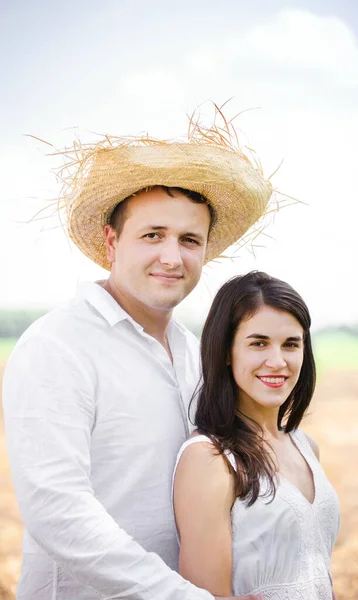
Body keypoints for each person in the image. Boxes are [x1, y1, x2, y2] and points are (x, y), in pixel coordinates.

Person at [2, 114, 273, 600]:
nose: (173, 257)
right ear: (111, 242)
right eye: (153, 235)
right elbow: (58, 512)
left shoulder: (197, 354)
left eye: (190, 240)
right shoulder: (57, 346)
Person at [173, 271, 340, 600]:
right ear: (225, 351)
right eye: (259, 343)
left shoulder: (306, 447)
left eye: (291, 344)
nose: (277, 361)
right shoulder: (211, 460)